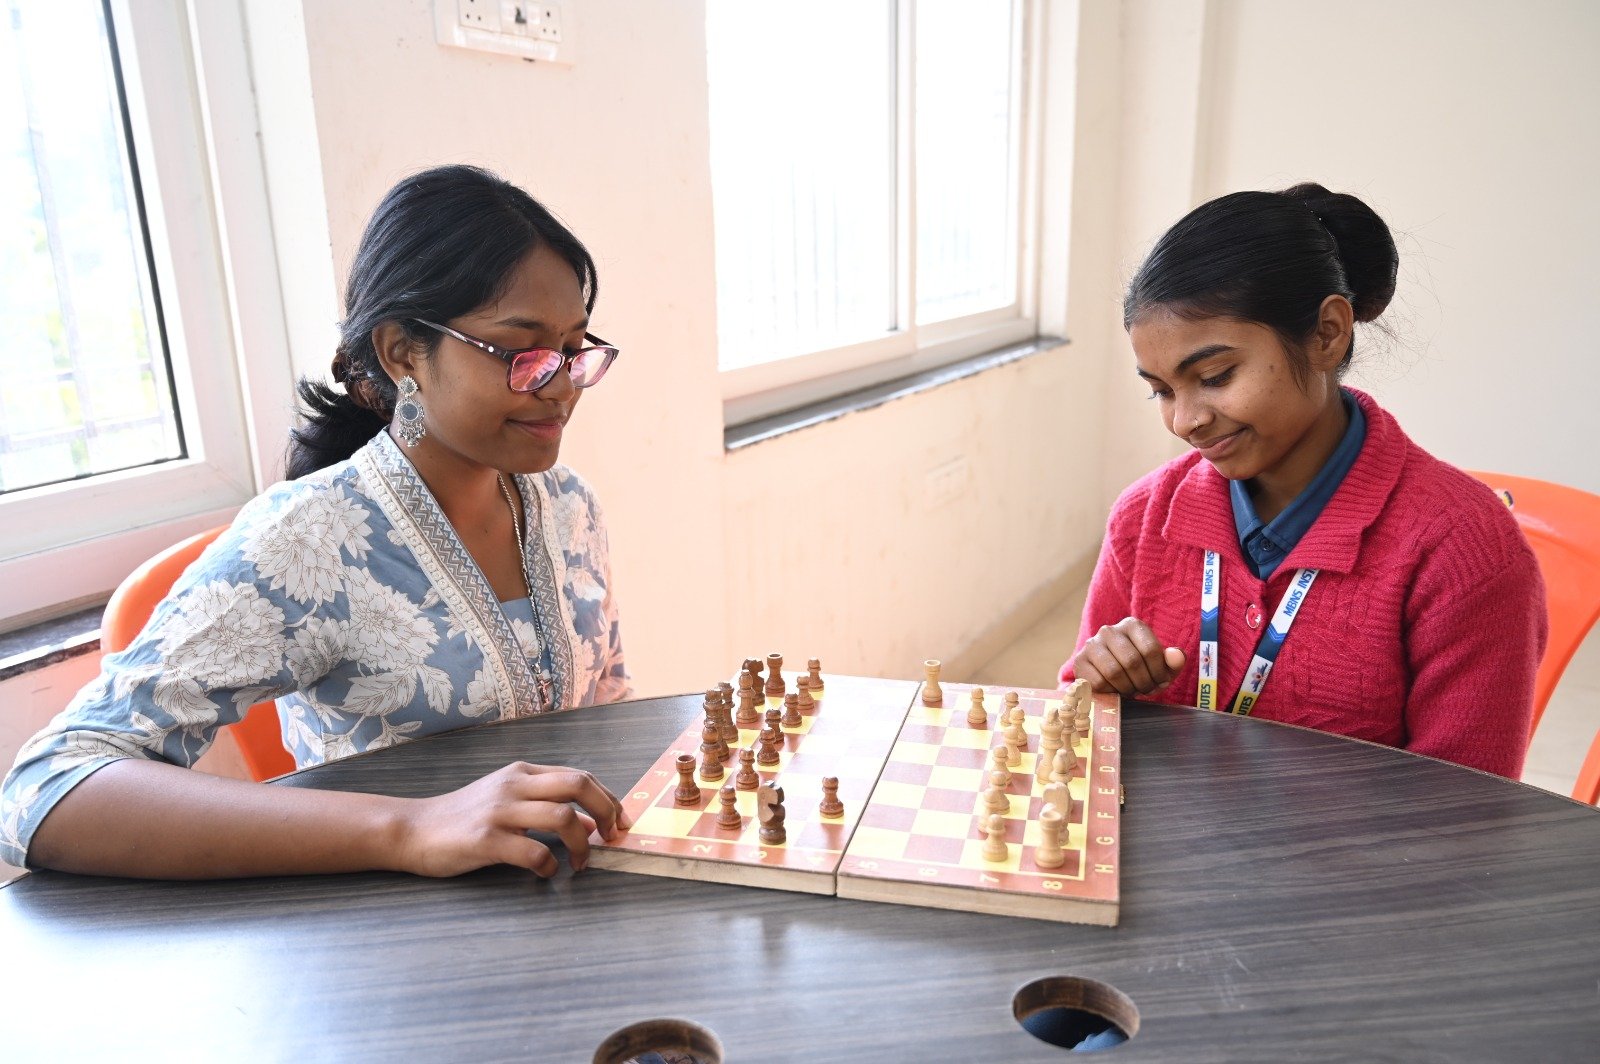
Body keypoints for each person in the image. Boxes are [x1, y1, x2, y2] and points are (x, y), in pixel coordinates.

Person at [1, 164, 635, 877]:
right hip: (385, 926)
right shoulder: (310, 541)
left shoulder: (568, 506)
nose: (560, 387)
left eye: (574, 350)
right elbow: (45, 788)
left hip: (557, 902)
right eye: (522, 353)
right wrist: (407, 828)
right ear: (402, 353)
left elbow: (610, 713)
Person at [1061, 183, 1546, 779]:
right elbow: (1076, 725)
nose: (1184, 421)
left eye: (1215, 375)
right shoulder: (1144, 516)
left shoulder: (1465, 552)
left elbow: (1466, 808)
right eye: (1161, 390)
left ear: (1327, 333)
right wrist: (1104, 687)